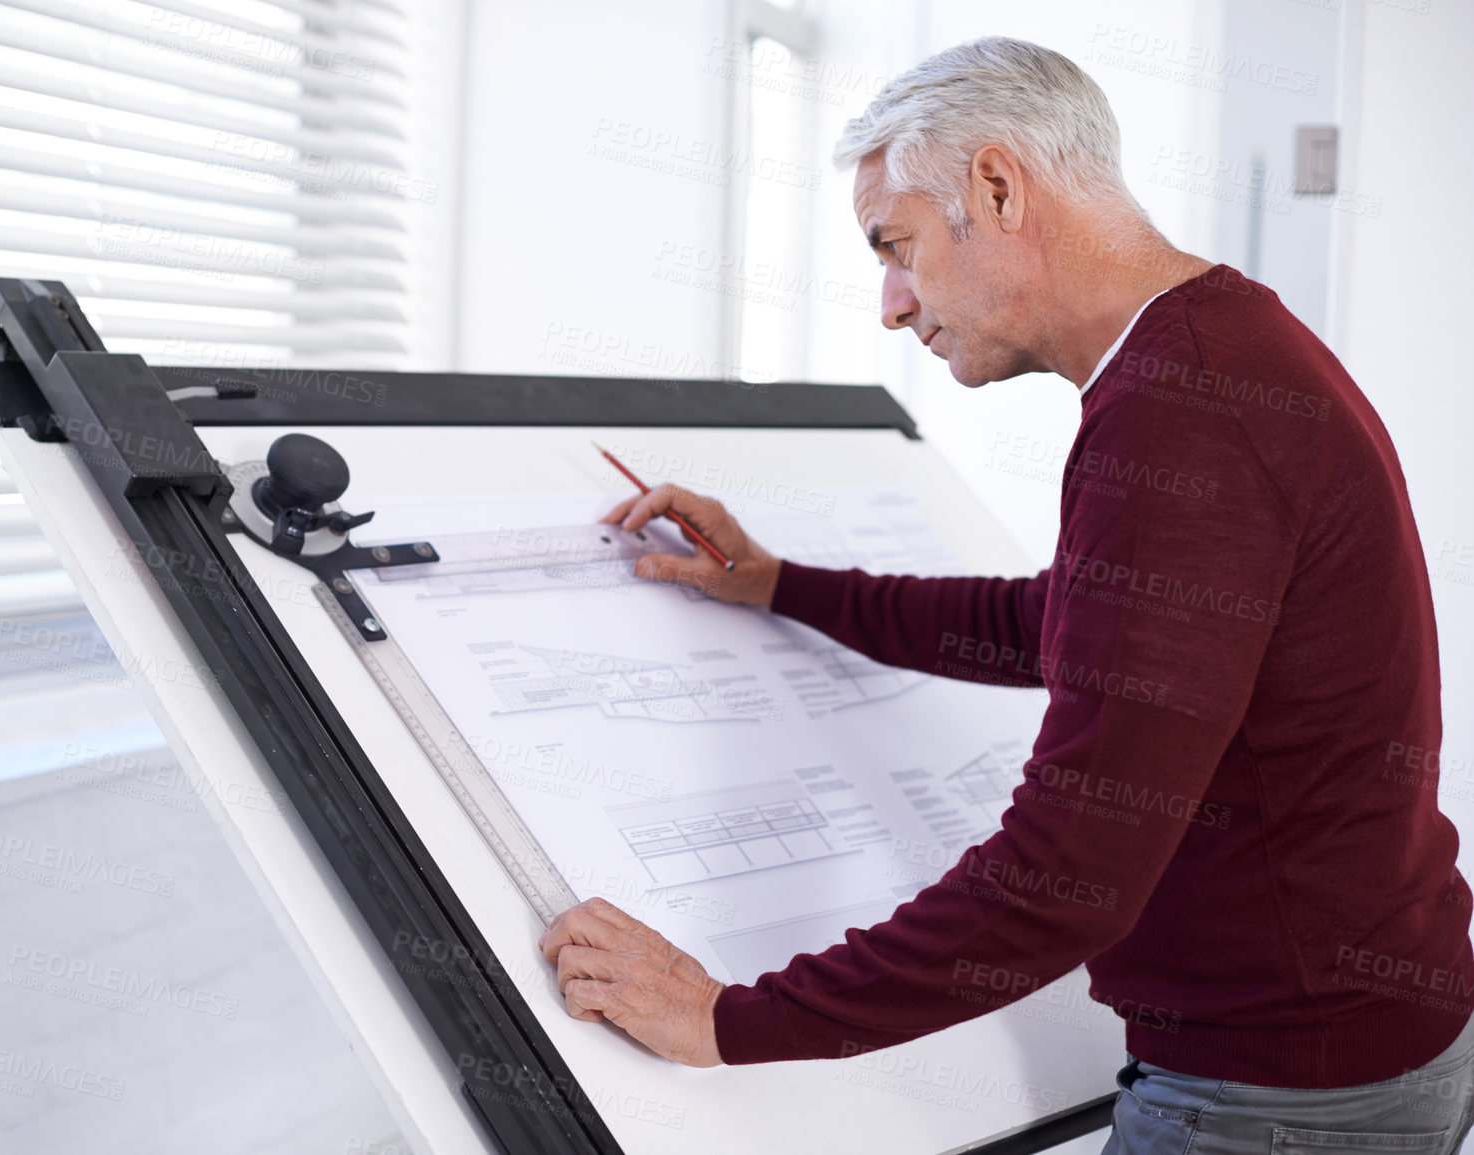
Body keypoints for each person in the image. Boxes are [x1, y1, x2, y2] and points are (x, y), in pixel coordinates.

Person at [539, 36, 1474, 1152]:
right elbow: (1058, 626)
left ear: (996, 187)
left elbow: (1072, 869)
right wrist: (780, 584)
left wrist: (732, 1021)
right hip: (1345, 1049)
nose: (891, 303)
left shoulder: (1190, 408)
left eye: (895, 246)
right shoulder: (1215, 350)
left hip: (1282, 1095)